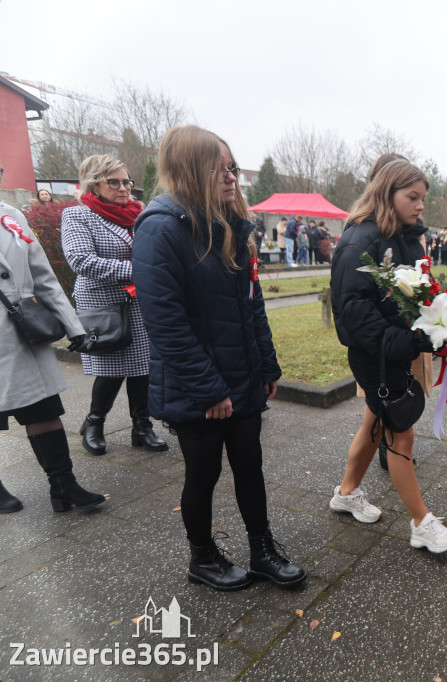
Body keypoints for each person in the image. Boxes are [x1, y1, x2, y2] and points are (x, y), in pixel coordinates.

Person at [133, 125, 305, 591]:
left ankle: (262, 550)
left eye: (232, 168)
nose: (232, 179)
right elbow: (165, 322)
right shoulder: (160, 229)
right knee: (203, 473)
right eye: (220, 169)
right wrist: (209, 388)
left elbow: (252, 304)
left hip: (242, 373)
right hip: (198, 385)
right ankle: (202, 558)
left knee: (250, 463)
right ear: (191, 170)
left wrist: (267, 366)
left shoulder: (229, 224)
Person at [329, 159, 447, 554]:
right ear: (388, 193)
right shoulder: (360, 241)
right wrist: (408, 340)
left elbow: (408, 297)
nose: (421, 206)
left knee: (376, 419)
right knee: (400, 431)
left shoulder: (400, 236)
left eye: (423, 198)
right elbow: (353, 312)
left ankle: (346, 492)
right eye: (413, 197)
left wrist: (436, 325)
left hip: (390, 351)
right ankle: (422, 522)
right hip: (375, 356)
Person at [0, 193, 106, 514]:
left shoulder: (11, 216)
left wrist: (72, 325)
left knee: (44, 409)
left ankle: (63, 485)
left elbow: (42, 273)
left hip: (21, 332)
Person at [61, 154, 169, 456]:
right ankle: (94, 423)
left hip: (141, 303)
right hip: (103, 304)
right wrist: (141, 270)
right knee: (111, 368)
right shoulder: (78, 215)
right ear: (94, 184)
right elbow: (81, 261)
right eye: (114, 182)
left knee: (142, 367)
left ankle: (142, 427)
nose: (124, 188)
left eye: (126, 181)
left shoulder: (139, 214)